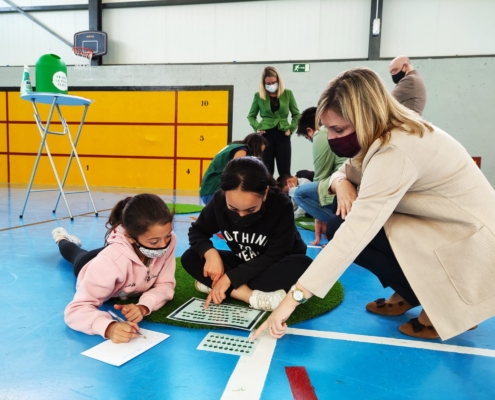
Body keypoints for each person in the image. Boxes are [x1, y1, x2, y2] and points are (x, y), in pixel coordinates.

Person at [253, 67, 495, 342]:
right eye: (327, 129)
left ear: (366, 116)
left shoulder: (397, 150)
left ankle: (449, 306)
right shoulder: (381, 135)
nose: (331, 138)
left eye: (338, 129)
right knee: (338, 223)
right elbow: (347, 170)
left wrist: (291, 301)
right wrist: (340, 182)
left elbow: (355, 235)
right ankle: (411, 292)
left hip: (469, 247)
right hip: (438, 227)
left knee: (346, 229)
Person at [181, 157, 312, 311]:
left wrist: (230, 277)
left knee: (304, 265)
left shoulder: (281, 204)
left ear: (265, 194)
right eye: (233, 209)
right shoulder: (218, 200)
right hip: (245, 263)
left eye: (250, 210)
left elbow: (276, 254)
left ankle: (216, 286)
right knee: (190, 257)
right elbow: (197, 231)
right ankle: (248, 295)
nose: (241, 216)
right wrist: (210, 254)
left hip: (275, 263)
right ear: (224, 194)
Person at [54, 193, 177, 343]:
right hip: (90, 263)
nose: (164, 245)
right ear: (130, 236)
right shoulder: (107, 263)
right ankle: (62, 238)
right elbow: (75, 310)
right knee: (76, 254)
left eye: (168, 236)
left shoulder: (167, 240)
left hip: (121, 253)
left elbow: (165, 285)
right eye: (154, 242)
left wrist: (144, 306)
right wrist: (109, 327)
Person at [293, 106, 347, 245]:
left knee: (300, 194)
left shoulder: (320, 133)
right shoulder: (342, 128)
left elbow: (320, 176)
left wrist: (318, 216)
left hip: (342, 180)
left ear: (309, 131)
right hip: (348, 178)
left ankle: (344, 226)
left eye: (307, 138)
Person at [247, 66, 300, 176]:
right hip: (266, 136)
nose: (271, 85)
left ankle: (284, 192)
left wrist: (291, 128)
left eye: (273, 82)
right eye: (268, 83)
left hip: (283, 135)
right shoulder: (258, 96)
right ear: (263, 83)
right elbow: (251, 116)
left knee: (285, 172)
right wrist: (257, 127)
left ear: (278, 81)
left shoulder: (288, 94)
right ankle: (267, 192)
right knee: (267, 171)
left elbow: (296, 114)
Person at [200, 133, 267, 205]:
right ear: (255, 146)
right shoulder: (242, 150)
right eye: (259, 151)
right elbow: (238, 171)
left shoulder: (234, 146)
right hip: (213, 192)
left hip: (207, 190)